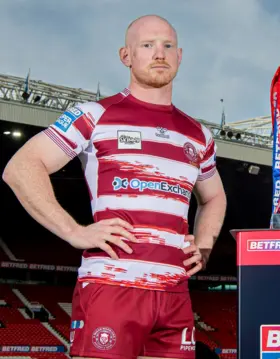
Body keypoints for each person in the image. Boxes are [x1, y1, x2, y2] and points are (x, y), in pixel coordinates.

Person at [2, 15, 227, 359]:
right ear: (126, 56)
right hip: (111, 287)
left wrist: (205, 245)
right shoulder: (94, 115)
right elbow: (21, 167)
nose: (159, 53)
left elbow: (213, 198)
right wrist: (74, 231)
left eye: (167, 45)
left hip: (175, 294)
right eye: (147, 45)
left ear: (180, 56)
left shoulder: (198, 134)